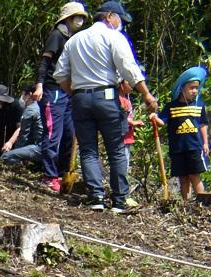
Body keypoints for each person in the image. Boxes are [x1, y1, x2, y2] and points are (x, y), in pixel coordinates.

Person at [54, 0, 159, 212]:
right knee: (116, 149)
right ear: (110, 16)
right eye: (120, 19)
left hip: (80, 98)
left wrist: (76, 93)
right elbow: (129, 68)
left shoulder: (75, 40)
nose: (121, 24)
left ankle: (96, 198)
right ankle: (119, 200)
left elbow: (60, 75)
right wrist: (146, 94)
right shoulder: (113, 36)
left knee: (88, 149)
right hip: (107, 96)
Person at [32, 2, 90, 193]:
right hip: (52, 90)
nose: (80, 20)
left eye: (82, 17)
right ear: (68, 18)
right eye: (77, 17)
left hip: (67, 91)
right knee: (52, 134)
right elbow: (45, 62)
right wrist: (39, 85)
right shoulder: (57, 35)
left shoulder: (73, 38)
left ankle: (63, 172)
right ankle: (49, 176)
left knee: (69, 133)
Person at [151, 67, 209, 200]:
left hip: (194, 147)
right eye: (191, 87)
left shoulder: (199, 106)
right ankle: (185, 204)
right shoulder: (171, 107)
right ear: (182, 88)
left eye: (196, 88)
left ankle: (204, 203)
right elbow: (161, 121)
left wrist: (205, 143)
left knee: (194, 175)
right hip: (177, 148)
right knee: (183, 178)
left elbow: (203, 125)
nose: (194, 91)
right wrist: (154, 116)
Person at [1, 88, 46, 167]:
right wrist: (10, 142)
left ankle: (20, 165)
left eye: (23, 95)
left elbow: (23, 135)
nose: (21, 97)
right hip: (45, 146)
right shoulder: (40, 106)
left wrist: (17, 152)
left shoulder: (30, 110)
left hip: (39, 148)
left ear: (29, 95)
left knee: (6, 157)